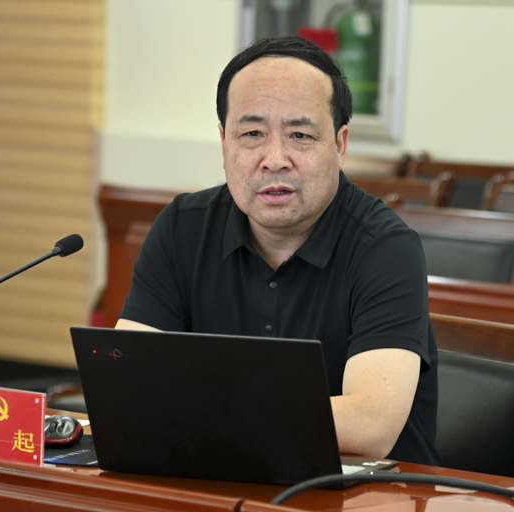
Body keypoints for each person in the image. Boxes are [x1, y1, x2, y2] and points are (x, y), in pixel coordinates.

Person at [116, 36, 440, 466]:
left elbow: (369, 426)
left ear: (340, 146)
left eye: (300, 135)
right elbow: (124, 384)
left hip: (363, 490)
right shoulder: (182, 228)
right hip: (218, 478)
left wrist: (202, 409)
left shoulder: (386, 249)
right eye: (252, 134)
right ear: (224, 142)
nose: (274, 159)